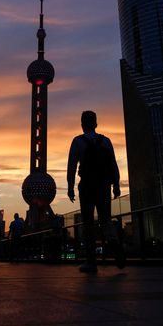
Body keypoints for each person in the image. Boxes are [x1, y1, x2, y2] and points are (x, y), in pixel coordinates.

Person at [67, 110, 125, 273]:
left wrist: (70, 187)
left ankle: (91, 262)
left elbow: (71, 165)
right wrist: (116, 185)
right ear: (96, 123)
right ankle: (115, 244)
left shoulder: (78, 141)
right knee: (105, 219)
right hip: (104, 186)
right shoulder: (105, 141)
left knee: (88, 223)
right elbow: (113, 164)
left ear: (82, 124)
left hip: (87, 187)